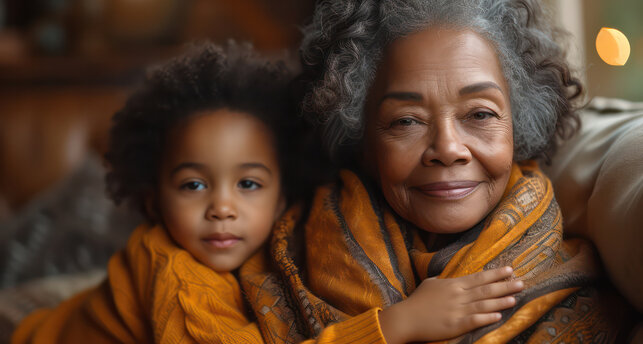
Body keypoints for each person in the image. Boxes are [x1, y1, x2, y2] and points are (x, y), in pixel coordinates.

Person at [11, 43, 523, 344]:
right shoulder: (176, 271)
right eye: (193, 185)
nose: (222, 207)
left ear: (281, 201)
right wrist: (395, 324)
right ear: (153, 202)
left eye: (249, 184)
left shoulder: (283, 247)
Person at [241, 0, 631, 343]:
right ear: (361, 139)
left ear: (520, 123)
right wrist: (393, 327)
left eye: (479, 114)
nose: (447, 148)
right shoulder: (275, 252)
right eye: (406, 120)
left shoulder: (585, 291)